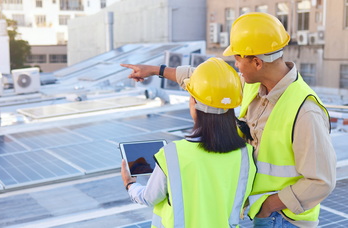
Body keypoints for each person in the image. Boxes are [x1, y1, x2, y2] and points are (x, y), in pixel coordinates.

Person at [121, 12, 336, 228]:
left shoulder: (306, 111)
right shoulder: (252, 84)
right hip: (253, 213)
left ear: (257, 62)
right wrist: (156, 71)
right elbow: (207, 82)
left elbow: (321, 181)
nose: (236, 65)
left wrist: (268, 205)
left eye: (238, 58)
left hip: (281, 219)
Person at [121, 57, 257, 227]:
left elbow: (149, 198)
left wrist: (130, 184)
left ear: (193, 103)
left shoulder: (172, 154)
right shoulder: (246, 154)